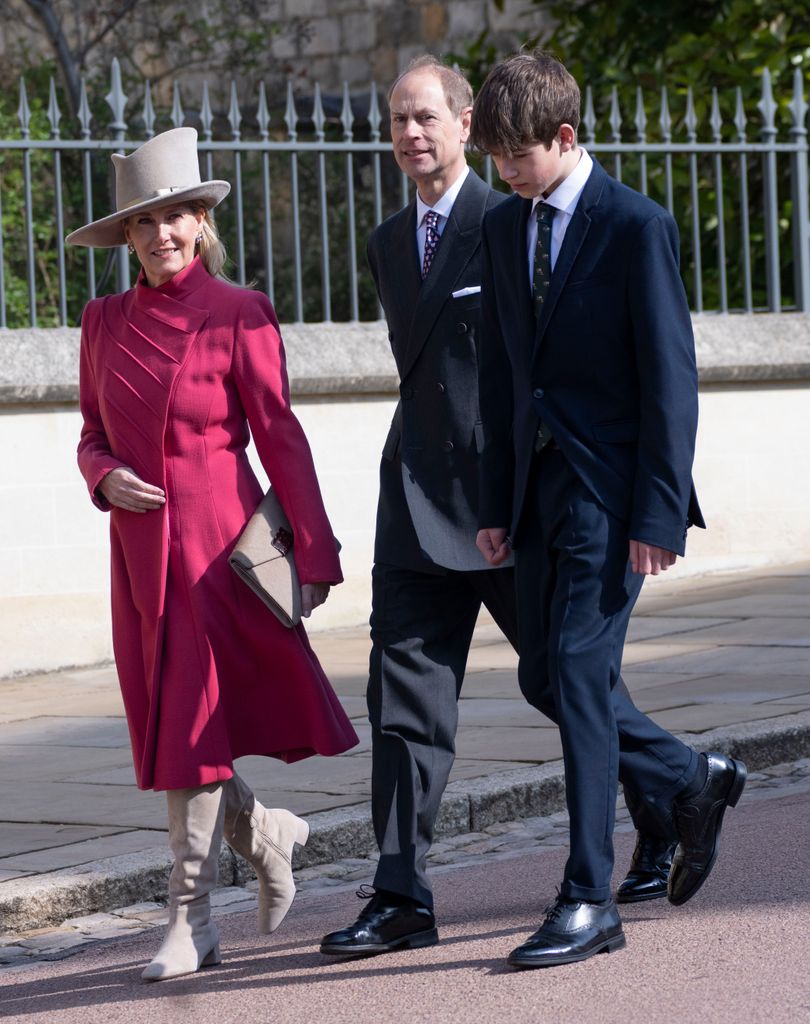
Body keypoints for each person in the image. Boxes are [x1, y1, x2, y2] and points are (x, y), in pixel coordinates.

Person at [319, 56, 682, 961]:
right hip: (419, 498)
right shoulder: (387, 243)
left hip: (520, 500)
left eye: (427, 117)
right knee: (401, 700)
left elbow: (594, 378)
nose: (411, 134)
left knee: (567, 682)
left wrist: (650, 508)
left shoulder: (518, 216)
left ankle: (671, 794)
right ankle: (401, 892)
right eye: (397, 120)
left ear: (466, 120)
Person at [471, 51, 746, 969]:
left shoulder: (636, 225)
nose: (506, 172)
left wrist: (659, 515)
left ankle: (588, 897)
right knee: (545, 679)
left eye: (519, 154)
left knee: (580, 679)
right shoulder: (508, 230)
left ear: (565, 136)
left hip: (613, 493)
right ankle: (691, 777)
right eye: (495, 158)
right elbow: (512, 379)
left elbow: (673, 378)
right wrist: (496, 501)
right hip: (537, 497)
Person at [67, 127, 358, 982]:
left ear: (201, 223)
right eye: (145, 222)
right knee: (177, 734)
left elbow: (281, 437)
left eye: (178, 217)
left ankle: (191, 921)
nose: (163, 234)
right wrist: (104, 476)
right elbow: (89, 433)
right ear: (126, 236)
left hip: (218, 559)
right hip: (139, 559)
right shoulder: (101, 322)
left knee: (192, 731)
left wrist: (316, 549)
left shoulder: (239, 312)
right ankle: (270, 834)